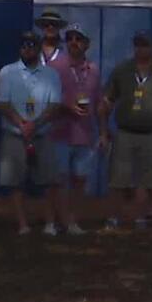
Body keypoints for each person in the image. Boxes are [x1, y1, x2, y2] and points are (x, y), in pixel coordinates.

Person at [99, 31, 152, 230]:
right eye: (137, 45)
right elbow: (106, 100)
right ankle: (113, 218)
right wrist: (103, 130)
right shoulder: (122, 70)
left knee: (150, 180)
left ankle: (140, 218)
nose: (141, 49)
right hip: (125, 132)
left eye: (145, 45)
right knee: (118, 178)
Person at [0, 30, 64, 235]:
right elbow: (1, 102)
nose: (28, 48)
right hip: (15, 134)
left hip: (42, 134)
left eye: (32, 45)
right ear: (19, 48)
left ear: (38, 47)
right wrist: (21, 123)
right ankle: (23, 224)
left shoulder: (51, 74)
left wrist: (36, 124)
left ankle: (49, 224)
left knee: (49, 181)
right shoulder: (7, 72)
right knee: (15, 182)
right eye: (24, 45)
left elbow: (55, 104)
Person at [49, 23, 100, 234]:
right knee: (59, 179)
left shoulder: (93, 70)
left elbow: (98, 101)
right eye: (70, 38)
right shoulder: (55, 67)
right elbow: (47, 96)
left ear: (86, 44)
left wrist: (104, 130)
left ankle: (73, 220)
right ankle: (60, 220)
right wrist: (66, 105)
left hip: (84, 133)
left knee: (80, 179)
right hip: (59, 132)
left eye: (78, 38)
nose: (73, 42)